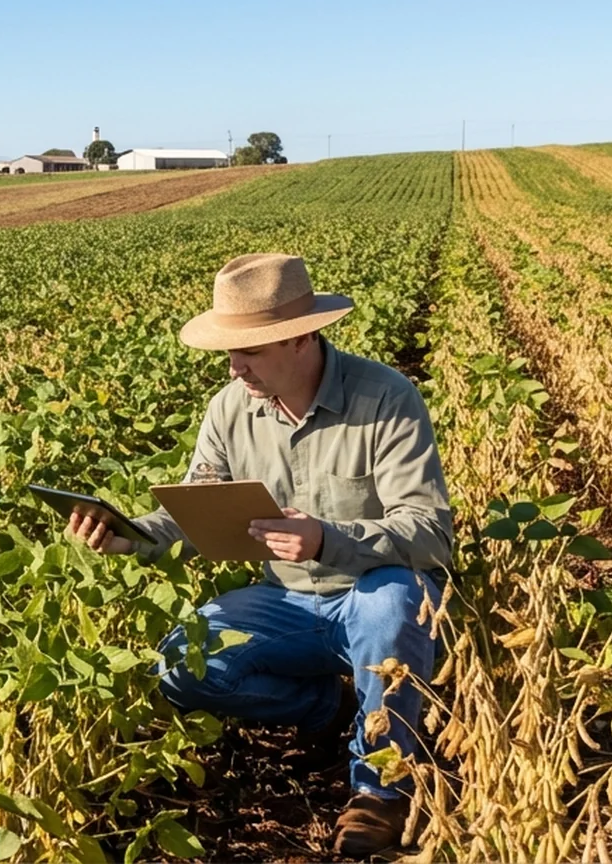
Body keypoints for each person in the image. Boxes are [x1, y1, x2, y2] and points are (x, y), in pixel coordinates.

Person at [68, 253, 452, 857]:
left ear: (299, 340)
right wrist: (131, 536)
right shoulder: (229, 407)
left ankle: (380, 790)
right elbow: (193, 512)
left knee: (393, 602)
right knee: (185, 664)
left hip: (374, 595)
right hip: (285, 602)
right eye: (230, 351)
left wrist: (331, 540)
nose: (234, 365)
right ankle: (330, 707)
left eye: (249, 350)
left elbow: (430, 532)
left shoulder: (385, 397)